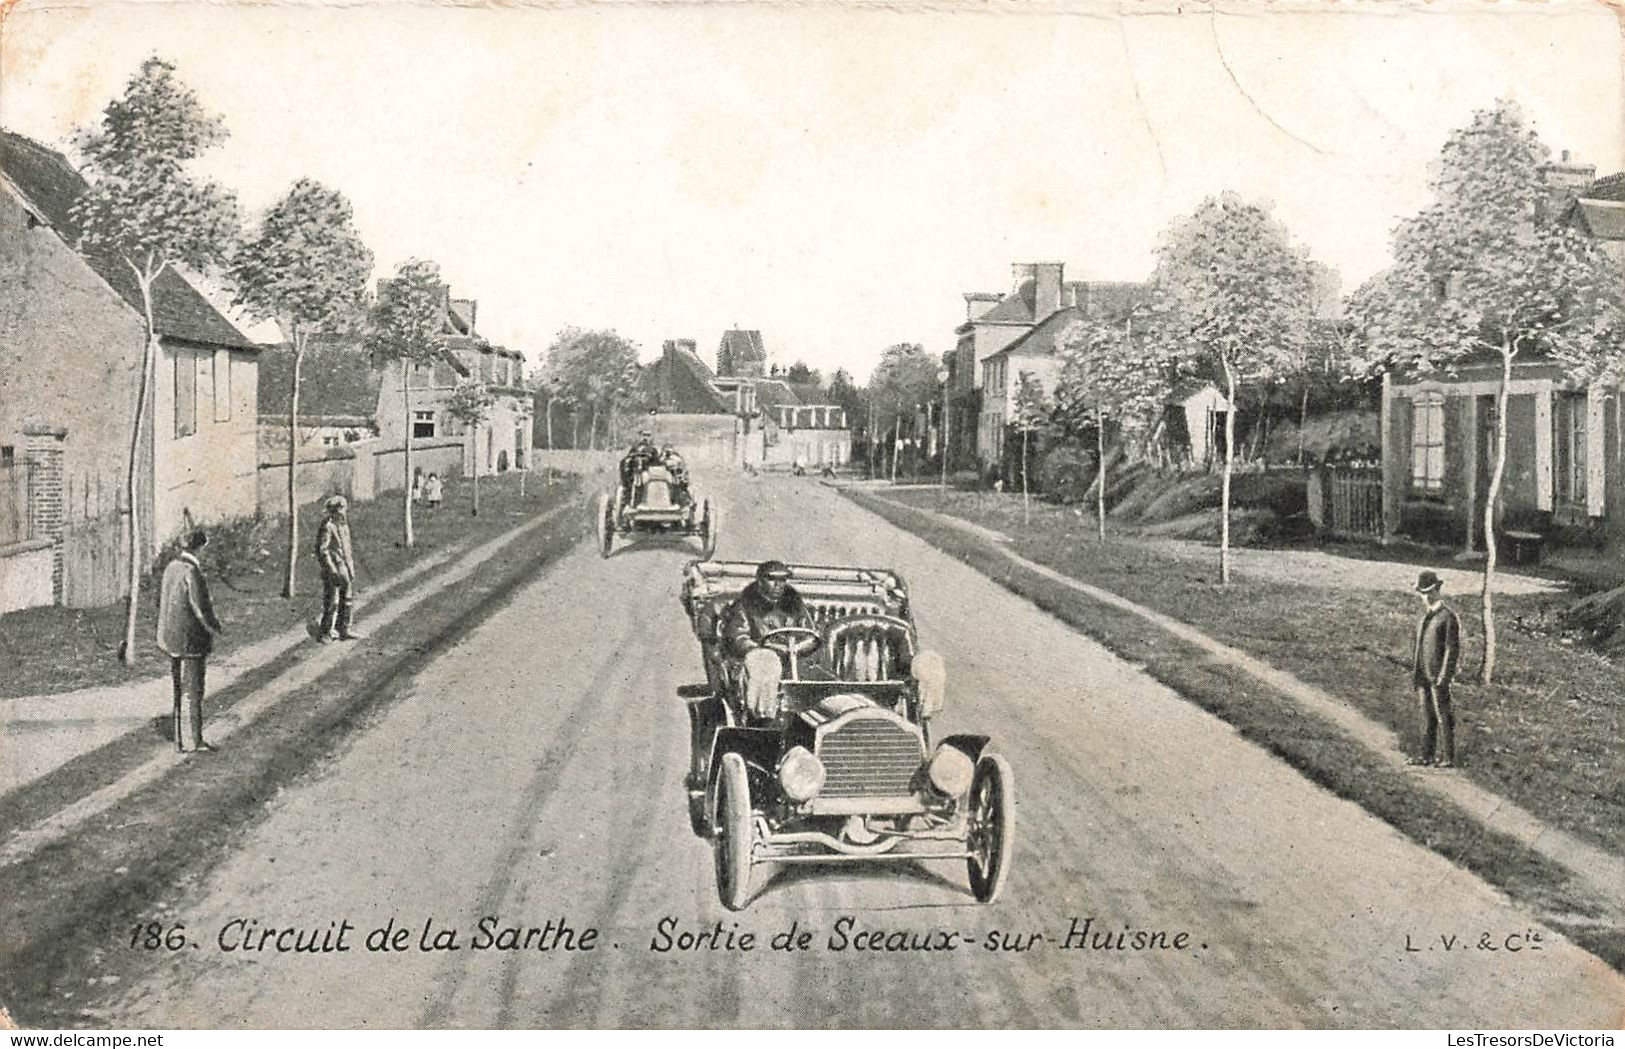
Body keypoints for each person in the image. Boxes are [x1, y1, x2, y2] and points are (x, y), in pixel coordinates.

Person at [156, 529, 224, 754]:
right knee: (192, 691)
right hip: (191, 640)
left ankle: (181, 737)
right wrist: (213, 628)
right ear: (200, 547)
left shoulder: (171, 568)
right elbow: (199, 607)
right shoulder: (192, 571)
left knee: (180, 689)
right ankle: (191, 741)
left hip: (171, 639)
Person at [1407, 569, 1462, 769]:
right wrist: (1416, 670)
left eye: (1429, 592)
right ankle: (1426, 755)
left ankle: (1448, 757)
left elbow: (1451, 648)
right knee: (1426, 715)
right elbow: (1420, 646)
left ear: (1437, 590)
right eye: (1422, 593)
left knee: (1443, 715)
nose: (1425, 597)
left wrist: (1444, 675)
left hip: (1438, 676)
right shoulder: (1423, 618)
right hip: (1422, 673)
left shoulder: (1448, 617)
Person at [316, 495, 360, 642]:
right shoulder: (328, 526)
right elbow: (323, 550)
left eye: (343, 509)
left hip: (345, 567)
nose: (341, 513)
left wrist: (350, 567)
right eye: (337, 510)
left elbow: (347, 549)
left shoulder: (344, 526)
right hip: (333, 568)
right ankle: (325, 631)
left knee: (347, 598)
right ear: (332, 511)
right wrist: (332, 568)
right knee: (331, 600)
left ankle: (344, 628)